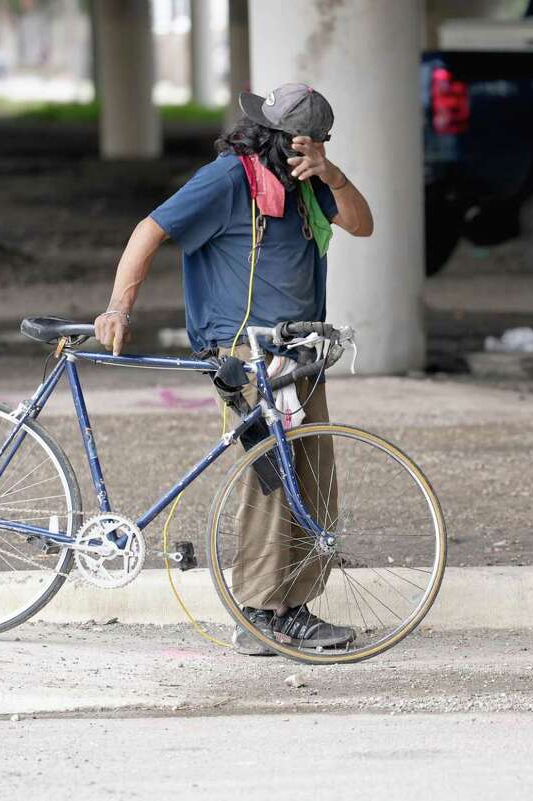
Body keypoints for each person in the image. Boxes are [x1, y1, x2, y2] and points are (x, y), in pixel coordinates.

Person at [94, 82, 374, 655]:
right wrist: (119, 306)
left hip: (298, 352)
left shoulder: (306, 183)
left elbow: (361, 224)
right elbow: (149, 230)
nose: (314, 150)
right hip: (247, 357)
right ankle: (257, 612)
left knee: (311, 478)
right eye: (309, 142)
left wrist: (331, 172)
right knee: (271, 477)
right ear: (281, 138)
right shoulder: (228, 179)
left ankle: (291, 607)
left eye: (321, 143)